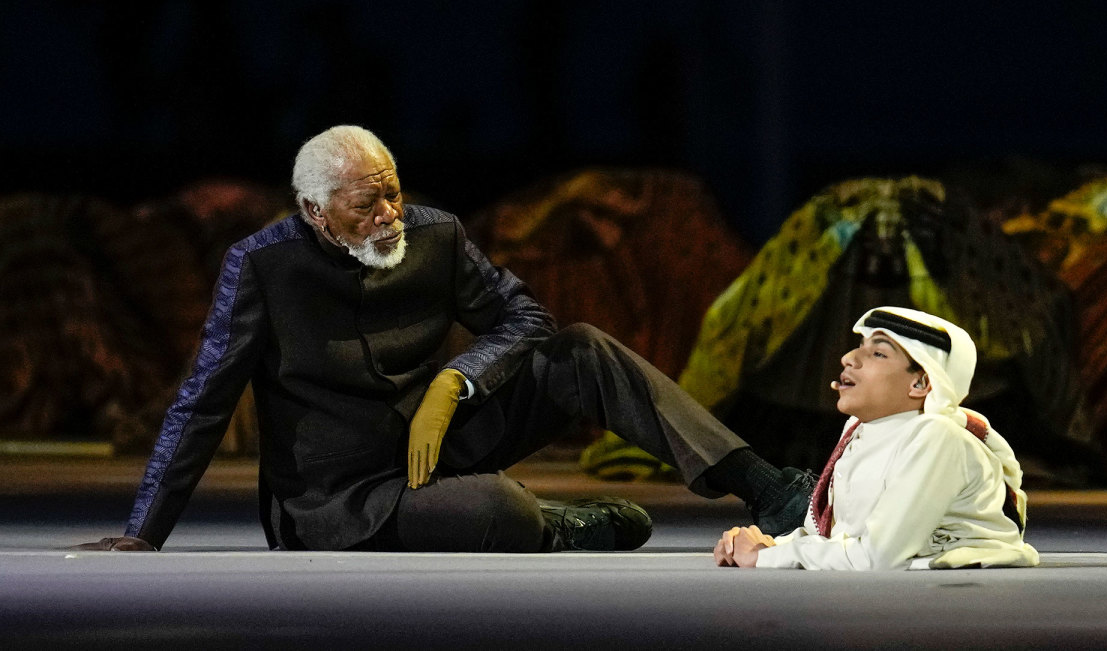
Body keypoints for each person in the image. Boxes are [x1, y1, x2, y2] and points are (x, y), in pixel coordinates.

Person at [77, 124, 814, 554]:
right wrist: (145, 532)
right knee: (499, 508)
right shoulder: (262, 266)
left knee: (584, 348)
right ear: (315, 210)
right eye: (367, 204)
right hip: (343, 499)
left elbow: (527, 319)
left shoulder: (435, 235)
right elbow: (202, 400)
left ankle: (768, 488)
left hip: (442, 439)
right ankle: (553, 526)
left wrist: (453, 382)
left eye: (394, 191)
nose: (390, 214)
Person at [714, 306, 1039, 570]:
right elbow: (838, 538)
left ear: (921, 383)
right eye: (859, 347)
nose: (849, 359)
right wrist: (765, 543)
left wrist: (765, 558)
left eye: (878, 354)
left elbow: (877, 557)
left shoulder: (938, 436)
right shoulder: (861, 429)